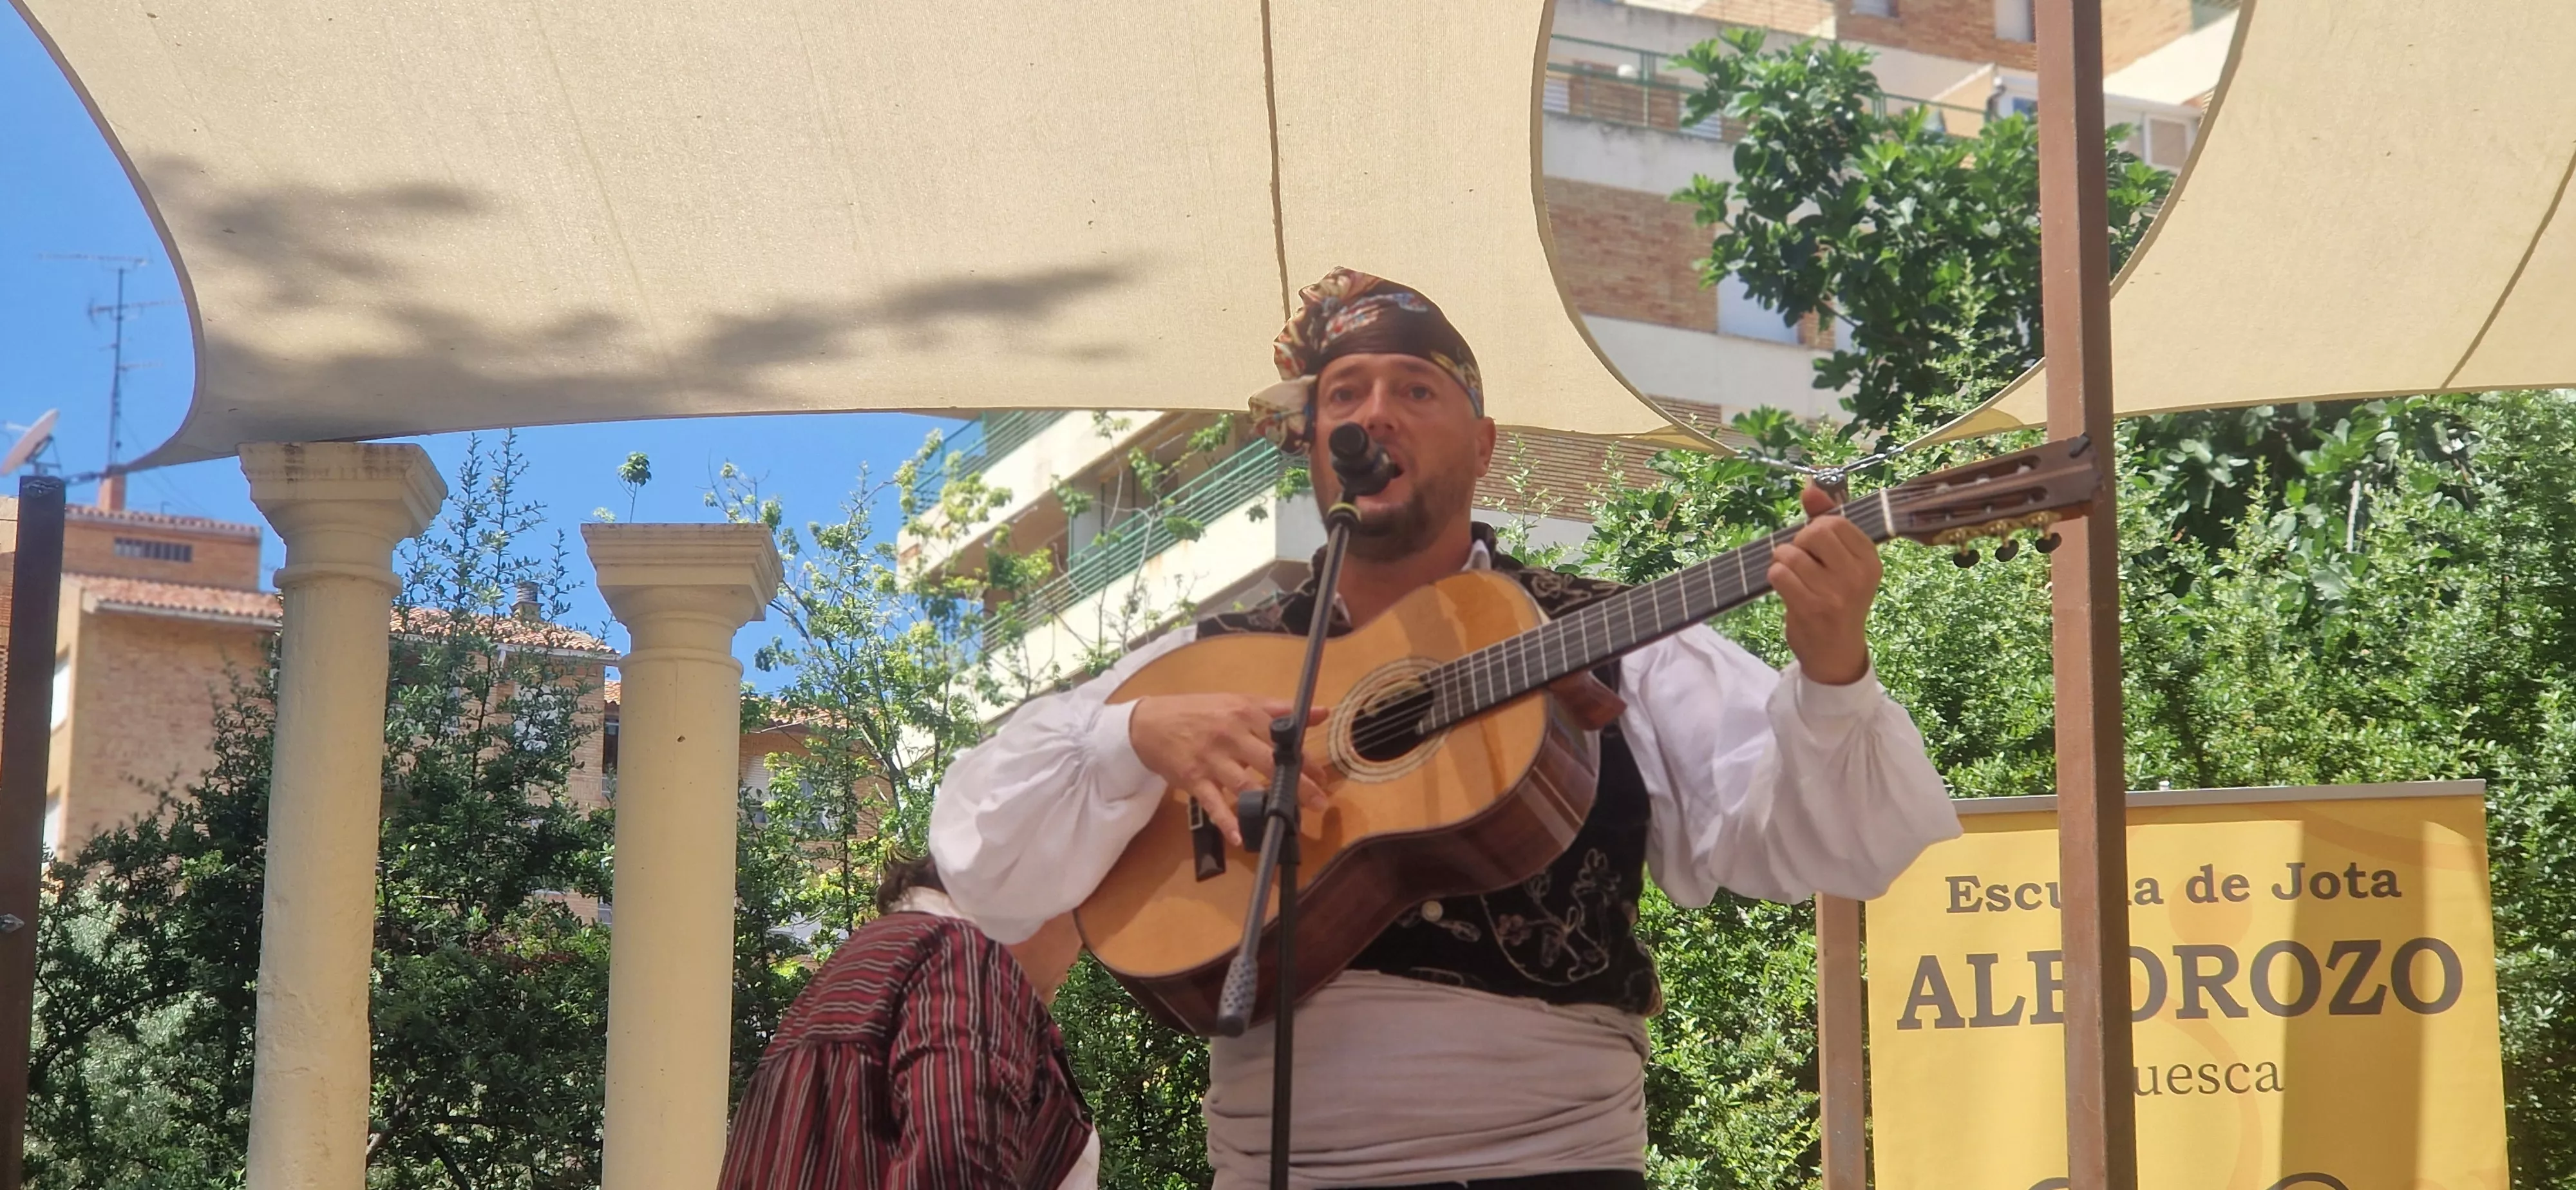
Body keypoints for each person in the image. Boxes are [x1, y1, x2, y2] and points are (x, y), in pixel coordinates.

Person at [929, 267, 1961, 1189]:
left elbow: (1838, 848)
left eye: (1415, 390)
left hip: (1555, 1163)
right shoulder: (1211, 661)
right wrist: (1133, 736)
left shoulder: (1605, 635)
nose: (1374, 415)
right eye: (1345, 396)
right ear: (1312, 448)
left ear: (1483, 444)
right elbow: (982, 859)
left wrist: (1832, 667)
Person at [717, 853, 1097, 1190]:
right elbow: (952, 1168)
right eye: (1092, 909)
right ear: (1044, 885)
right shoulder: (964, 964)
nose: (1088, 945)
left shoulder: (866, 964)